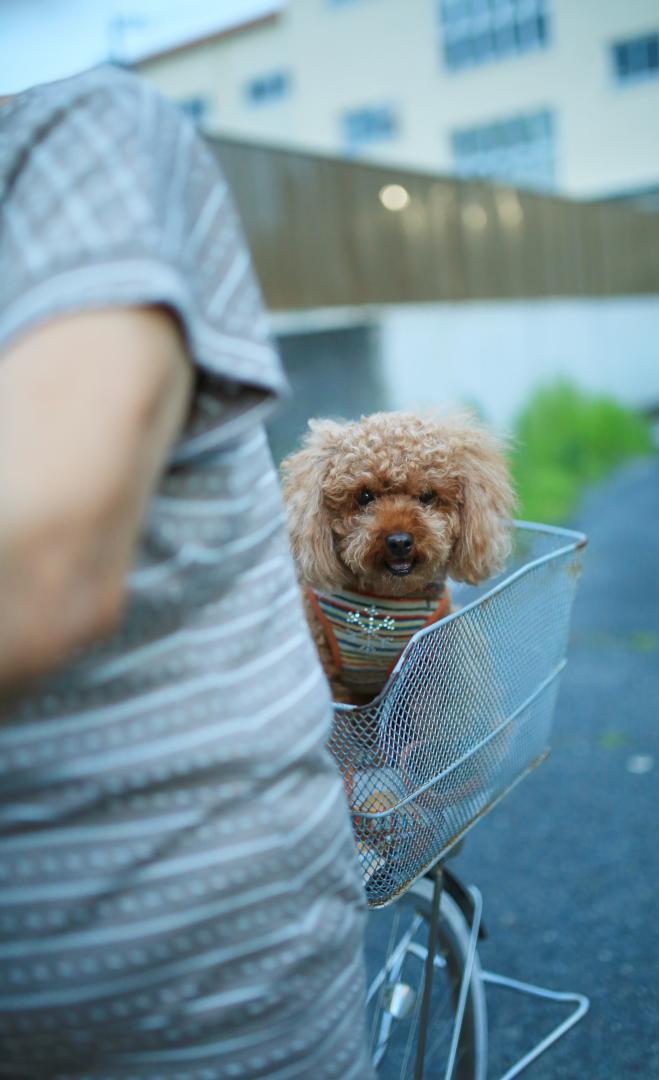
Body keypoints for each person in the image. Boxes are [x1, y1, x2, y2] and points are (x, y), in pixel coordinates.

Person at [0, 65, 373, 1079]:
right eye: (362, 502)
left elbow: (41, 569)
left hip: (208, 1000)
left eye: (428, 503)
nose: (393, 528)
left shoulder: (78, 139)